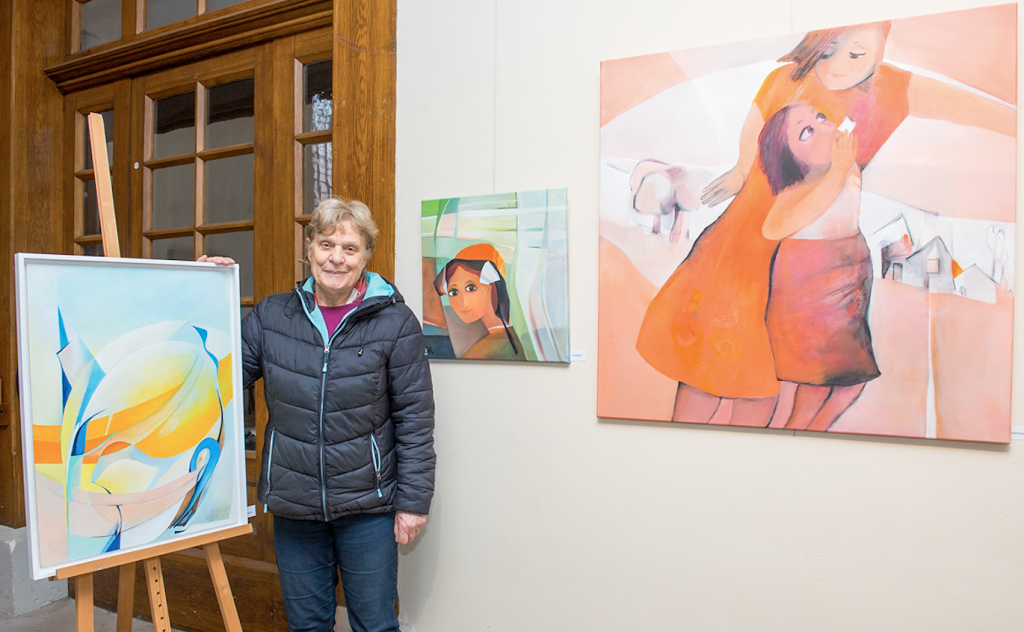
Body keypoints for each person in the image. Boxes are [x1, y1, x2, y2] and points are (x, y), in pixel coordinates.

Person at [635, 20, 1015, 426]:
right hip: (740, 244)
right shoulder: (786, 78)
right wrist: (740, 171)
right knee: (706, 365)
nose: (836, 65)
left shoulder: (890, 91)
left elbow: (964, 106)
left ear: (881, 50)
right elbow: (751, 144)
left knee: (768, 385)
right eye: (829, 49)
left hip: (805, 266)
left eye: (855, 54)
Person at [202, 197, 435, 632]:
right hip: (295, 505)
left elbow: (415, 420)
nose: (336, 258)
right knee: (307, 626)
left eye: (350, 248)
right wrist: (203, 295)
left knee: (376, 625)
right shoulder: (272, 316)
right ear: (309, 248)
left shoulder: (396, 323)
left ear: (366, 256)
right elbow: (217, 376)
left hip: (369, 508)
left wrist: (413, 503)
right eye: (326, 244)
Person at [759, 104, 878, 430]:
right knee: (816, 387)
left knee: (850, 383)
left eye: (821, 117)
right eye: (805, 131)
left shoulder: (846, 168)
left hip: (848, 285)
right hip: (808, 294)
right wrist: (838, 170)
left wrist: (840, 167)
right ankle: (798, 438)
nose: (823, 126)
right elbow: (772, 229)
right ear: (791, 158)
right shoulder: (797, 191)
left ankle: (810, 433)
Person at [432, 243, 526, 361]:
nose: (463, 302)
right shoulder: (495, 337)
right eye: (454, 292)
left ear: (489, 287)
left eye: (471, 288)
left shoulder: (495, 346)